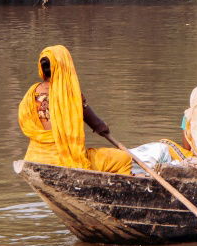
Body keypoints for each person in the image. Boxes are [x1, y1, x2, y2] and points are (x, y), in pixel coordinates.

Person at [17, 45, 131, 174]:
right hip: (66, 160)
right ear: (65, 67)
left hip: (34, 157)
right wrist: (103, 126)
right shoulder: (71, 95)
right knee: (124, 158)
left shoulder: (30, 94)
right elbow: (98, 125)